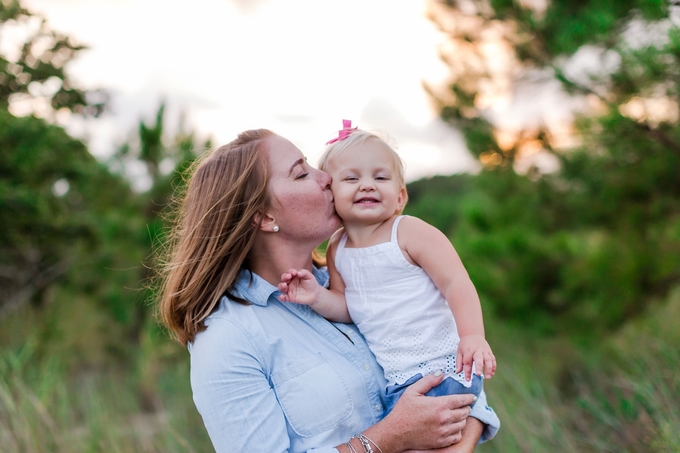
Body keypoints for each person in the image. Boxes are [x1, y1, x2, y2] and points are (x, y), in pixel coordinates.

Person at [157, 128, 500, 453]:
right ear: (263, 216)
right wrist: (388, 438)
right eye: (301, 173)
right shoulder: (228, 338)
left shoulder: (353, 280)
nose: (326, 178)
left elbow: (452, 375)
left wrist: (461, 432)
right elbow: (407, 425)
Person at [278, 121, 497, 414]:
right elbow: (347, 306)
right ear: (331, 195)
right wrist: (317, 296)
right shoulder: (337, 248)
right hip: (398, 383)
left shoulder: (408, 232)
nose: (367, 185)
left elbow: (456, 282)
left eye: (380, 177)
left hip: (447, 368)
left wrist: (472, 336)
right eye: (351, 179)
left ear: (400, 197)